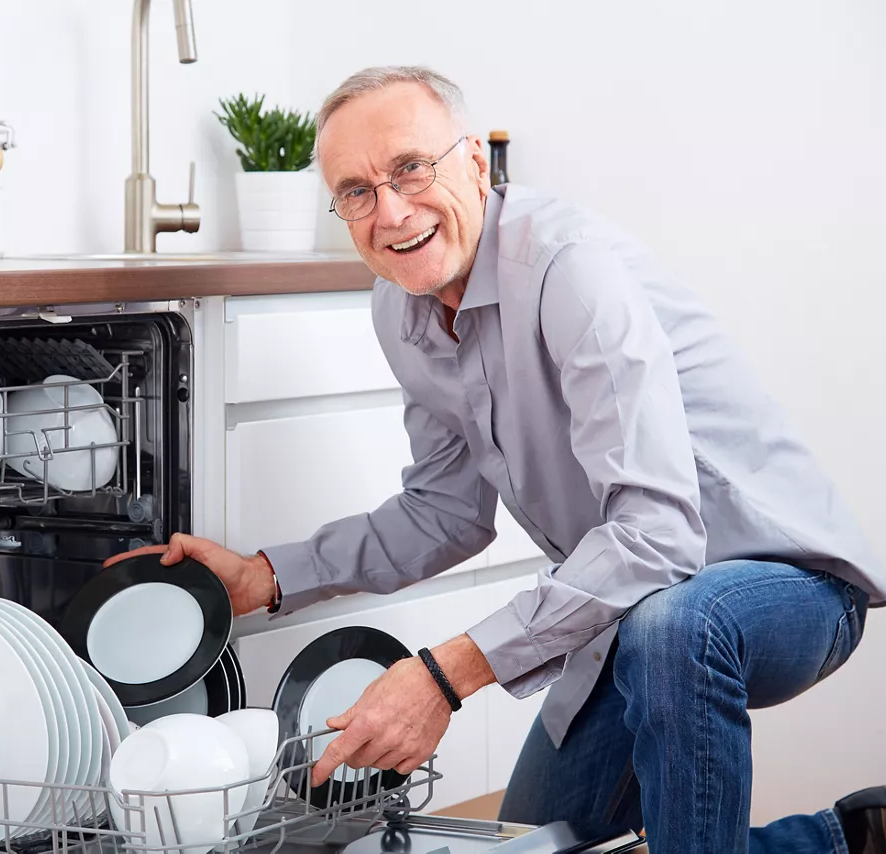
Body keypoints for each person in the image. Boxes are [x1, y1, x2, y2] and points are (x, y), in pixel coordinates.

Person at [108, 66, 886, 853]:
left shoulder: (568, 271)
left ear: (475, 163)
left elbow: (658, 534)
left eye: (411, 168)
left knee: (675, 626)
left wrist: (443, 676)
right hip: (629, 615)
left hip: (786, 586)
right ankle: (842, 840)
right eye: (356, 191)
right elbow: (441, 513)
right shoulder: (401, 307)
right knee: (527, 841)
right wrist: (268, 575)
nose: (391, 210)